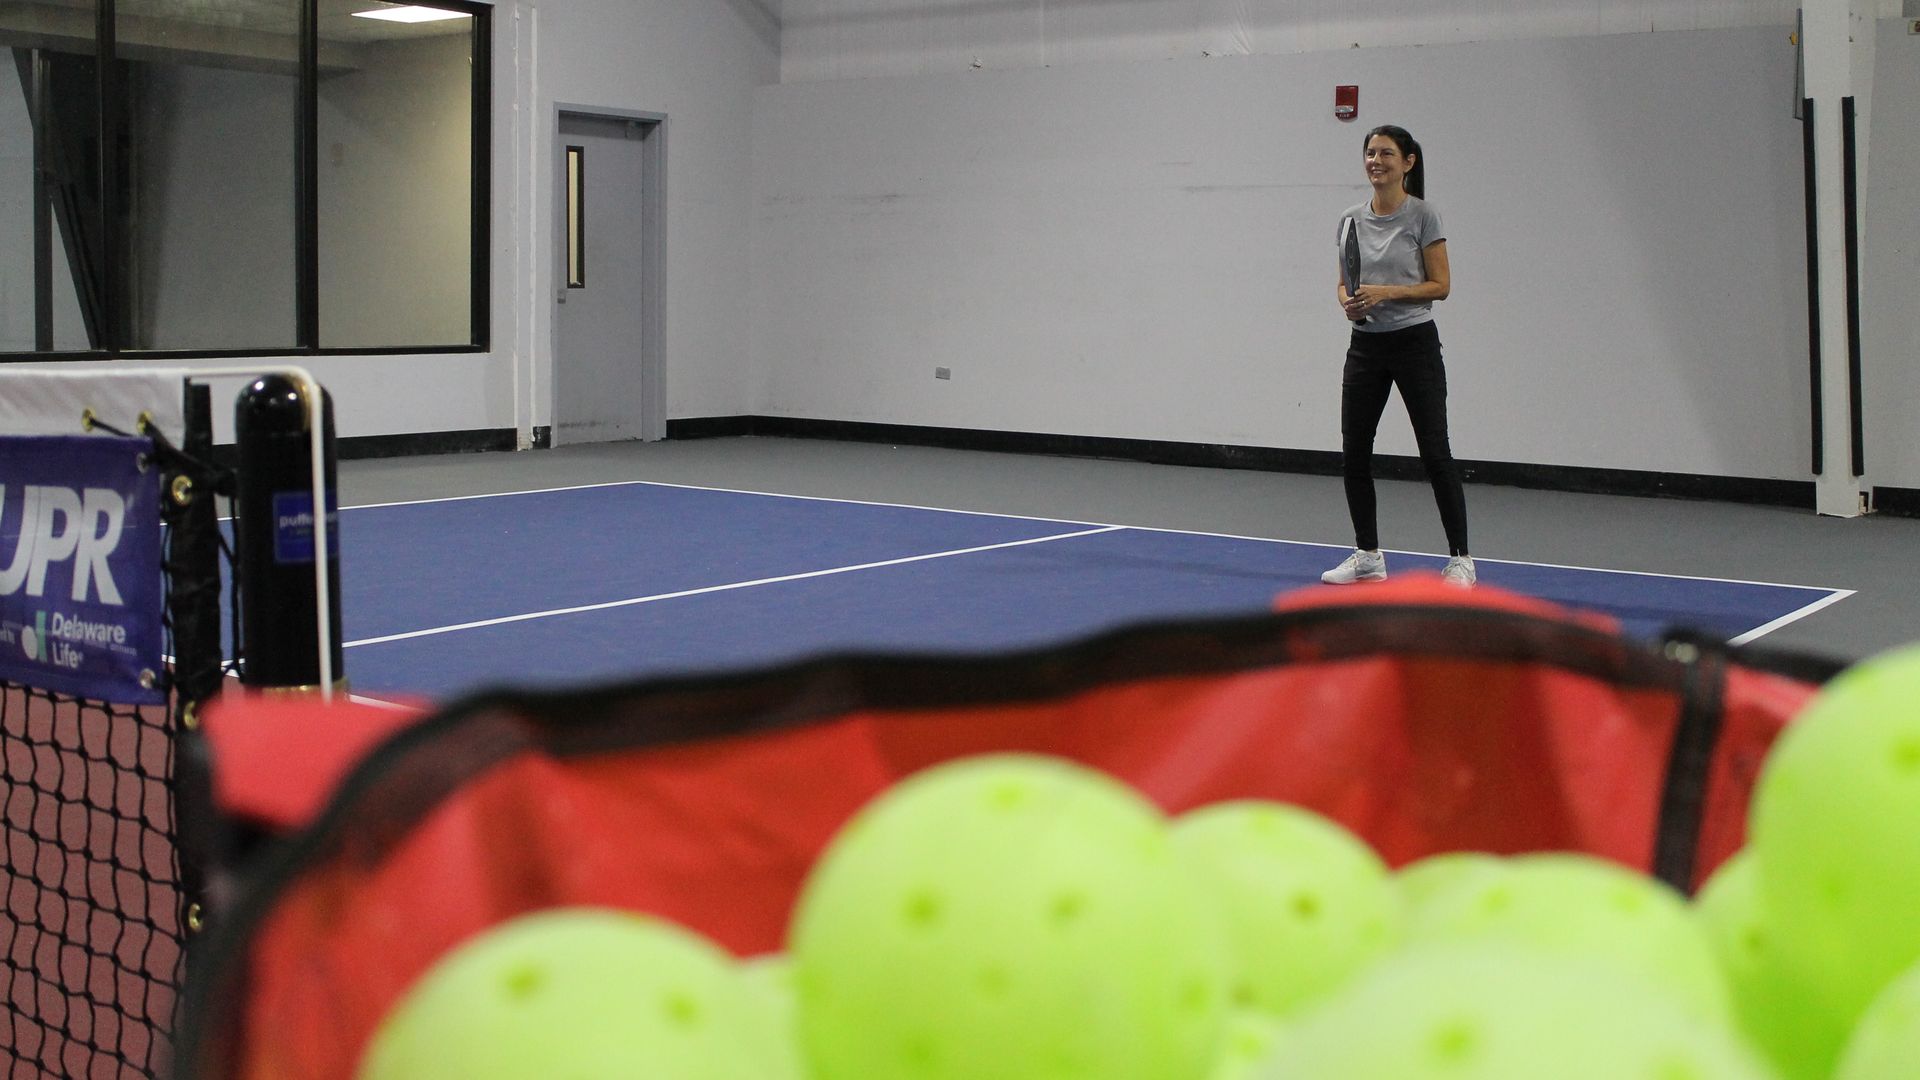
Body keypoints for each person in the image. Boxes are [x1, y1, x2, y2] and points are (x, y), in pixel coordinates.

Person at [1321, 124, 1475, 588]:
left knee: (1434, 452)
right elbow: (1344, 281)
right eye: (1370, 153)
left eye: (1386, 153)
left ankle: (1461, 560)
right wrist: (1348, 303)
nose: (1376, 161)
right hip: (1366, 347)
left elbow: (1440, 286)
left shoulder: (1424, 216)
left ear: (1407, 162)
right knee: (1355, 454)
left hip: (1415, 345)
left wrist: (1386, 292)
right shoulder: (1350, 219)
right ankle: (1368, 554)